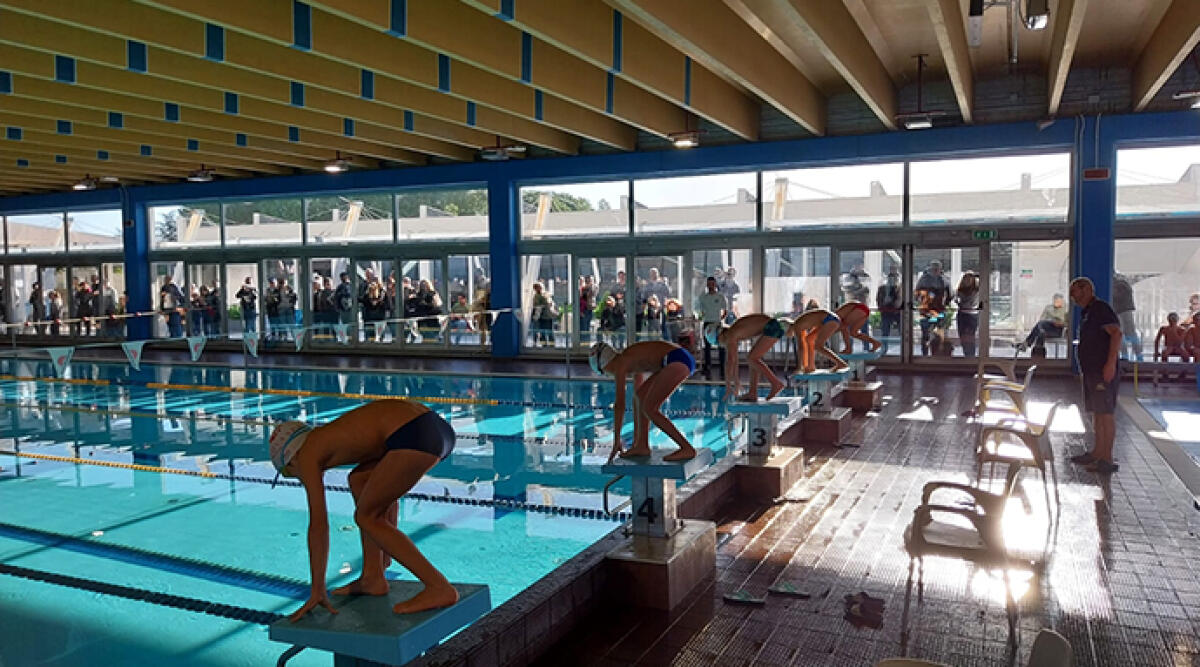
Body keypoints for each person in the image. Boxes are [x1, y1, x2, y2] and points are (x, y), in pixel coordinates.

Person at [269, 400, 459, 621]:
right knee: (359, 480)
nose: (301, 477)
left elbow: (319, 525)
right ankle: (373, 575)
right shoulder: (333, 436)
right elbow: (388, 495)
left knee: (366, 517)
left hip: (416, 433)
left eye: (292, 474)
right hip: (434, 427)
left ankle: (438, 587)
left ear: (291, 460)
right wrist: (384, 549)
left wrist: (317, 589)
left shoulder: (308, 453)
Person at [587, 340, 696, 462]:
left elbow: (620, 405)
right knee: (641, 397)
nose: (607, 375)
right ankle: (641, 445)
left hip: (678, 360)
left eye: (604, 372)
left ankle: (686, 448)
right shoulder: (631, 359)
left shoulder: (621, 363)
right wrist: (635, 440)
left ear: (604, 365)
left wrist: (617, 440)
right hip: (678, 358)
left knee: (650, 408)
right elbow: (638, 396)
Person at [1068, 277, 1123, 475]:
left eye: (1076, 291)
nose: (1073, 296)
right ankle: (1097, 453)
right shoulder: (1088, 312)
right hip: (1092, 371)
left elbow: (1116, 334)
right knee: (1097, 413)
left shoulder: (1101, 309)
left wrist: (1110, 364)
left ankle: (1106, 459)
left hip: (1102, 371)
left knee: (1105, 414)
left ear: (1087, 290)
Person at [711, 314, 787, 402]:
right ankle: (752, 393)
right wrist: (736, 382)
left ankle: (775, 383)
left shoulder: (730, 335)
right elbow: (734, 361)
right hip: (772, 326)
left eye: (718, 342)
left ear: (720, 336)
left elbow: (730, 362)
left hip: (772, 327)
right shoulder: (733, 332)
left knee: (752, 358)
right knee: (752, 358)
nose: (721, 345)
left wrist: (728, 386)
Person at [786, 308, 847, 374]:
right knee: (809, 339)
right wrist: (804, 366)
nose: (787, 335)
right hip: (829, 319)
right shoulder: (798, 323)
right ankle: (811, 366)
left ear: (788, 328)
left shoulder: (796, 326)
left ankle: (840, 363)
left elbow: (801, 347)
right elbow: (804, 345)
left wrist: (799, 368)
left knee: (818, 346)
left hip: (830, 320)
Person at [914, 260, 951, 356]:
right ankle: (925, 355)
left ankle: (937, 355)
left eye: (937, 268)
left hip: (938, 310)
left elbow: (950, 294)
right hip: (927, 311)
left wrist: (945, 303)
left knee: (938, 334)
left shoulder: (944, 279)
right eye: (934, 268)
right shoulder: (924, 279)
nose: (935, 270)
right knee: (926, 334)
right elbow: (916, 294)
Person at [695, 276, 727, 376]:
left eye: (712, 284)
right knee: (707, 347)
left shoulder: (720, 296)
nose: (710, 286)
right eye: (709, 284)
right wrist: (700, 318)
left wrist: (720, 320)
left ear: (715, 284)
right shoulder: (703, 297)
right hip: (707, 323)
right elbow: (700, 311)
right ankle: (708, 367)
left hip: (717, 323)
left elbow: (725, 310)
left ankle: (723, 367)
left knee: (721, 346)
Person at [1112, 273, 1142, 361]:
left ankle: (1126, 356)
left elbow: (1115, 296)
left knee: (1121, 334)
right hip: (1126, 311)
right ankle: (1138, 355)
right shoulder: (1124, 284)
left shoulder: (1117, 285)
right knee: (1131, 334)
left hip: (1120, 311)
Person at [954, 271, 981, 357]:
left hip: (972, 314)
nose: (967, 280)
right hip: (962, 313)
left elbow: (971, 302)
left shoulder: (977, 289)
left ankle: (971, 356)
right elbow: (957, 299)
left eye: (970, 278)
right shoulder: (960, 289)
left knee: (969, 337)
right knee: (963, 337)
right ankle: (967, 354)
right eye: (966, 278)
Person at [579, 275, 597, 344]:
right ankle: (583, 342)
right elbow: (581, 299)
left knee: (587, 326)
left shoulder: (590, 288)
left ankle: (586, 342)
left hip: (588, 309)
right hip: (583, 309)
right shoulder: (582, 289)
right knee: (583, 327)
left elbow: (593, 292)